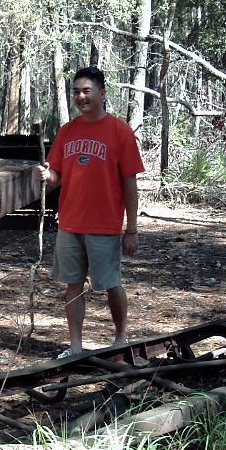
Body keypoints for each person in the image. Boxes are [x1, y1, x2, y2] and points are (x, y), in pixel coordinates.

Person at [36, 66, 144, 358]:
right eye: (75, 92)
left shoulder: (119, 131)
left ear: (101, 93)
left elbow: (130, 183)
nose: (80, 97)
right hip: (70, 223)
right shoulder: (67, 132)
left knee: (110, 284)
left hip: (105, 225)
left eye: (86, 91)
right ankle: (75, 346)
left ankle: (121, 339)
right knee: (73, 285)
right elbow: (57, 175)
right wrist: (48, 176)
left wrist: (131, 229)